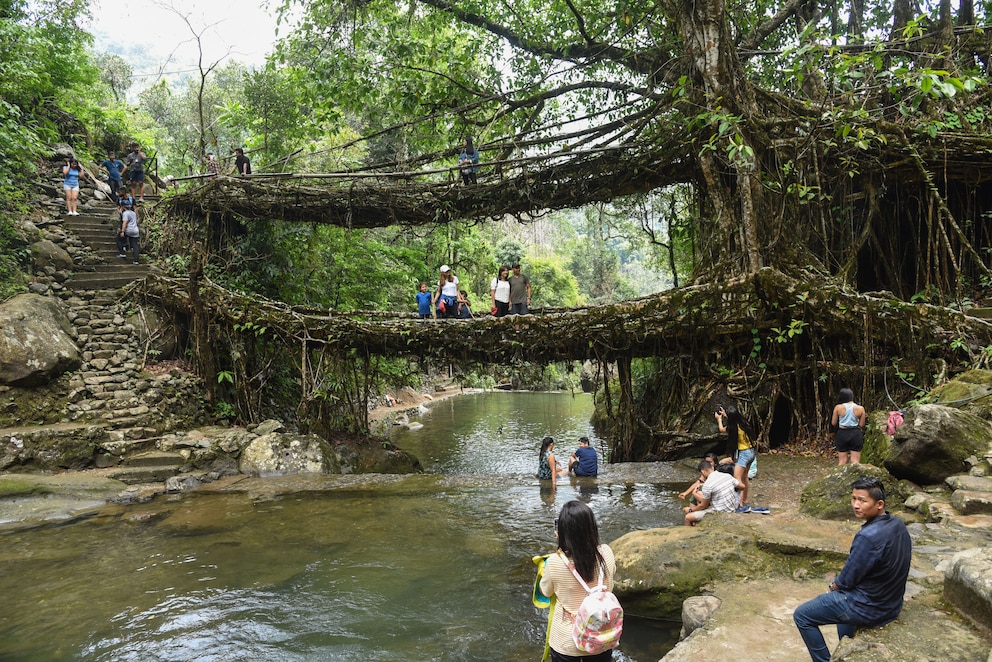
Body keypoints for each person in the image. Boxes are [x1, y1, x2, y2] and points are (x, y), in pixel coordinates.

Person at [793, 476, 912, 662]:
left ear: (879, 504)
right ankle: (847, 652)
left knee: (802, 615)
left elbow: (846, 580)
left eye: (863, 500)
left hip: (871, 608)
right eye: (854, 499)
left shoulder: (868, 537)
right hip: (891, 604)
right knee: (840, 611)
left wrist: (833, 587)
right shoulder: (897, 524)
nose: (856, 505)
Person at [539, 500, 618, 661]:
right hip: (602, 636)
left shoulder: (555, 561)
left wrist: (561, 548)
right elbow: (609, 583)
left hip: (567, 642)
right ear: (592, 528)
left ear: (562, 532)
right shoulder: (606, 553)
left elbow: (545, 591)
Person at [715, 404, 766, 513]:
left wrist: (719, 419)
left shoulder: (732, 428)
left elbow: (721, 429)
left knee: (736, 479)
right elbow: (733, 419)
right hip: (751, 452)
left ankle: (738, 504)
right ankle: (744, 500)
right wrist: (725, 414)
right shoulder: (743, 423)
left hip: (744, 454)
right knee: (744, 478)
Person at [683, 459, 743, 526]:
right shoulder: (727, 476)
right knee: (700, 497)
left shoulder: (707, 484)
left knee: (688, 517)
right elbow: (742, 487)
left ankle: (688, 533)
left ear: (702, 472)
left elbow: (703, 506)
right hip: (732, 509)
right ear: (712, 467)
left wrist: (690, 510)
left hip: (718, 512)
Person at [832, 387, 867, 465]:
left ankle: (839, 477)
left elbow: (833, 423)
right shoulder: (860, 408)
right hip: (855, 434)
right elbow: (861, 425)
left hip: (842, 433)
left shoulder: (838, 407)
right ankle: (854, 477)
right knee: (855, 462)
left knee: (842, 461)